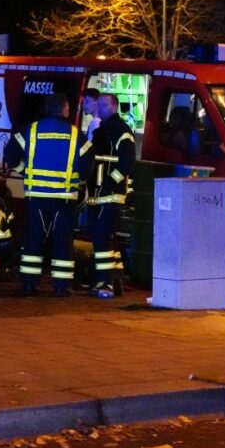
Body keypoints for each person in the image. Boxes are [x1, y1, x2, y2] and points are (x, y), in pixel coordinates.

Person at [4, 92, 94, 297]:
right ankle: (61, 286)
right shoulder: (75, 134)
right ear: (64, 109)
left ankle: (28, 284)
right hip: (64, 199)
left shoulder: (31, 130)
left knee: (34, 238)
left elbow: (10, 154)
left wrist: (24, 171)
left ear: (47, 109)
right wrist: (79, 180)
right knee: (62, 241)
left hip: (36, 196)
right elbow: (88, 161)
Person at [87, 93, 136, 299]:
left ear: (114, 107)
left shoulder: (121, 131)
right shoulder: (102, 130)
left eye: (103, 105)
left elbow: (127, 163)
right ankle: (115, 282)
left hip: (110, 196)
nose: (99, 109)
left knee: (102, 240)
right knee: (107, 240)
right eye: (98, 105)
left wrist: (109, 184)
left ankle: (104, 283)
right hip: (98, 195)